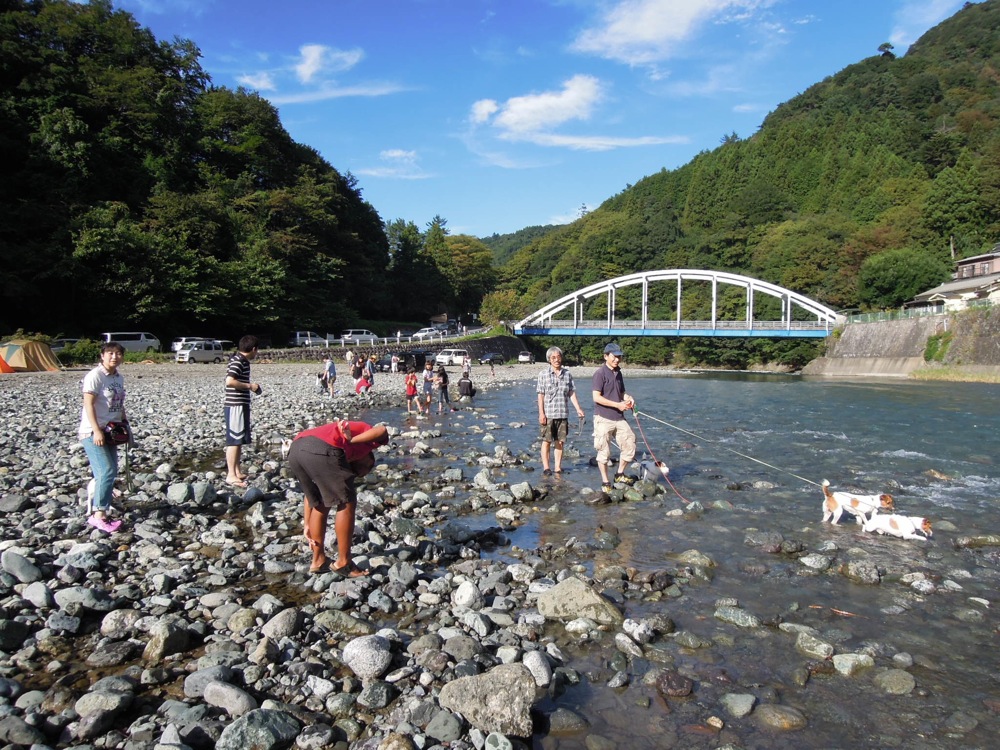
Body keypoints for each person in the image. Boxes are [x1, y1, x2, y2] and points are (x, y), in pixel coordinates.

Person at [286, 419, 388, 576]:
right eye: (366, 468)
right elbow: (382, 430)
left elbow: (311, 497)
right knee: (347, 501)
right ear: (367, 457)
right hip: (322, 447)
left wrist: (307, 524)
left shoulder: (343, 453)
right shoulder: (367, 441)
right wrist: (351, 440)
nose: (362, 473)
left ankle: (318, 560)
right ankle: (344, 562)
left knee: (321, 502)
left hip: (295, 450)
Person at [79, 341, 128, 532]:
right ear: (102, 356)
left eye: (118, 353)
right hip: (93, 431)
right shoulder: (95, 376)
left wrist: (125, 423)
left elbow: (118, 402)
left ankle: (103, 508)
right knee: (105, 471)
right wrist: (96, 430)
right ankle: (98, 515)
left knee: (111, 470)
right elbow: (88, 404)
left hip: (112, 430)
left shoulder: (118, 377)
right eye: (110, 353)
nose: (114, 357)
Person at [592, 342, 637, 493]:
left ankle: (619, 474)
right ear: (606, 356)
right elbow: (596, 397)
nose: (617, 359)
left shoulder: (618, 373)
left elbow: (621, 393)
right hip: (603, 418)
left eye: (619, 357)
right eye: (614, 356)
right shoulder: (599, 374)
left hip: (619, 417)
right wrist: (617, 405)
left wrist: (628, 398)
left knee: (630, 443)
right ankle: (605, 482)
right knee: (603, 452)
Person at [537, 346, 586, 476]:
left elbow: (571, 393)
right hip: (548, 414)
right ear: (549, 359)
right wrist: (541, 413)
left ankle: (558, 468)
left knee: (560, 441)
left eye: (558, 357)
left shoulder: (567, 374)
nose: (556, 359)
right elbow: (540, 396)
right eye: (553, 357)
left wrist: (578, 409)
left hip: (563, 414)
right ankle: (546, 468)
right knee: (546, 441)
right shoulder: (543, 375)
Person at [224, 335, 261, 488]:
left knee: (239, 439)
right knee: (234, 439)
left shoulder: (241, 360)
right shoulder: (238, 361)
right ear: (254, 349)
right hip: (235, 405)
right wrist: (249, 386)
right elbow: (230, 381)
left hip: (240, 404)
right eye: (257, 350)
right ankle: (230, 475)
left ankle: (237, 471)